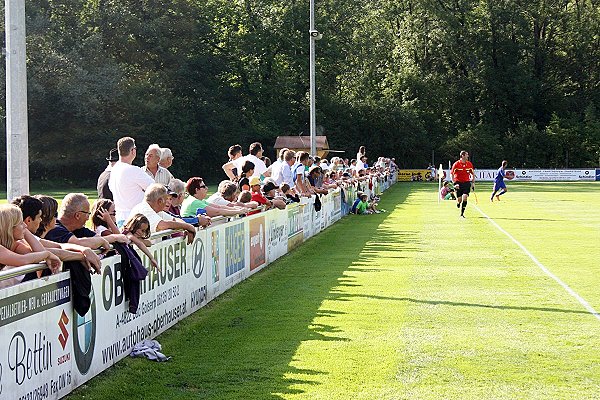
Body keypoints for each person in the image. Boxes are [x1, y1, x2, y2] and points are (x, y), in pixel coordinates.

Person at [128, 184, 199, 243]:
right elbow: (162, 225)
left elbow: (175, 219)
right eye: (166, 199)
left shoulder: (157, 211)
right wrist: (188, 227)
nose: (167, 202)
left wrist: (185, 227)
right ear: (160, 201)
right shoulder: (144, 209)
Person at [108, 137, 155, 225]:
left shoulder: (114, 170)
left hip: (120, 219)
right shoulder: (134, 170)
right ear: (133, 151)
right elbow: (155, 189)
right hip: (136, 220)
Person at [451, 150, 475, 218]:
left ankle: (462, 213)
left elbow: (472, 174)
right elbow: (452, 174)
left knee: (465, 197)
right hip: (458, 183)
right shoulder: (456, 164)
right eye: (467, 155)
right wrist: (454, 183)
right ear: (462, 156)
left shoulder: (469, 164)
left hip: (466, 183)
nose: (468, 156)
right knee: (459, 199)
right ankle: (458, 203)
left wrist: (473, 183)